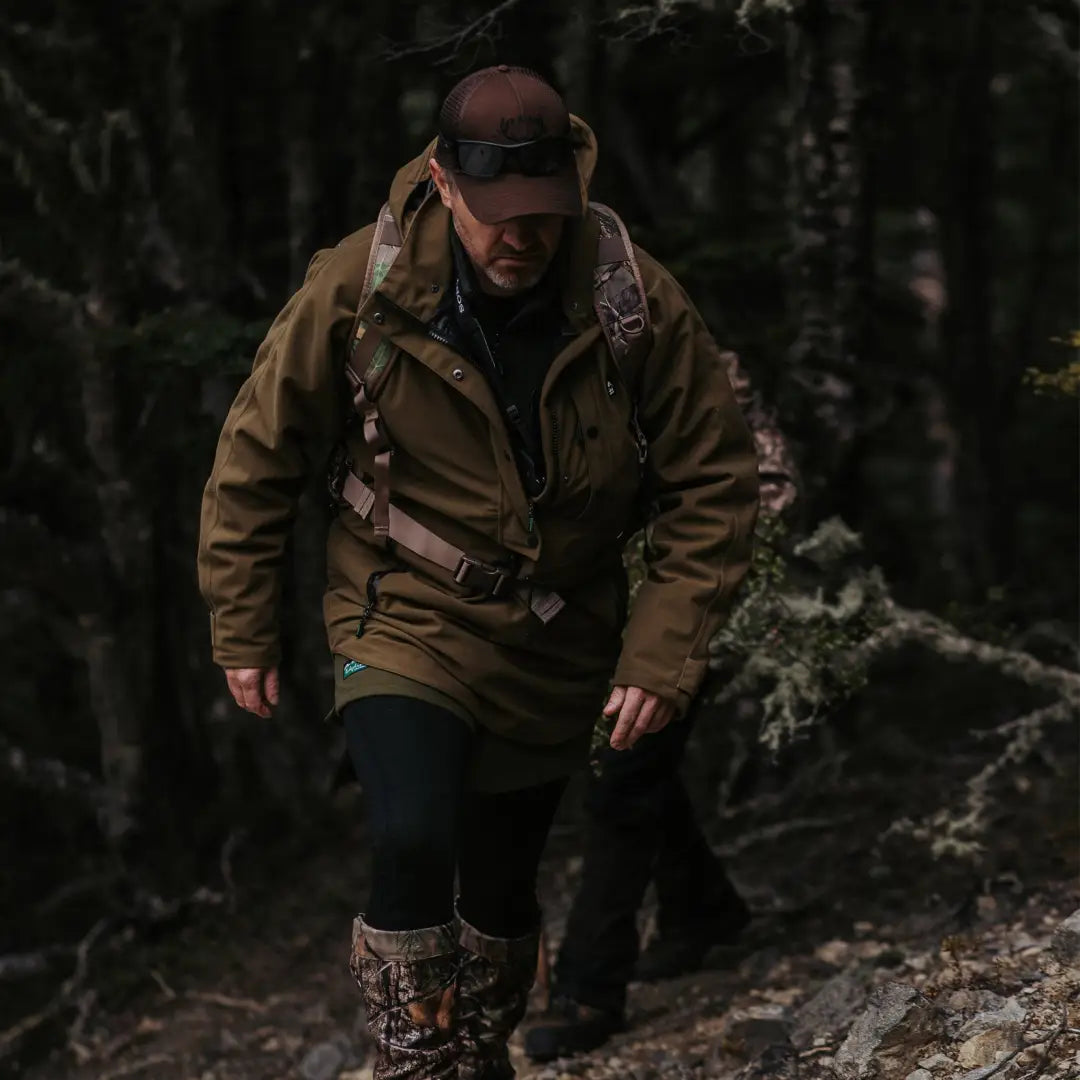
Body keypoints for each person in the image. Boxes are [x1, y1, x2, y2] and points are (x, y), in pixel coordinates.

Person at [197, 65, 759, 1080]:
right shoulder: (356, 285)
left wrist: (660, 653)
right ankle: (414, 1064)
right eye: (496, 212)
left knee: (501, 894)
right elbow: (256, 454)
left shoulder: (630, 294)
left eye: (541, 213)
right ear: (446, 184)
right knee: (414, 834)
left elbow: (713, 484)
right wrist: (241, 625)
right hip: (398, 605)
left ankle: (477, 1053)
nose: (520, 237)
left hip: (557, 632)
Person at [524, 379, 798, 1062]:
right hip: (594, 613)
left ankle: (590, 986)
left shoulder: (698, 370)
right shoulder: (546, 366)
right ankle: (703, 907)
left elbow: (756, 502)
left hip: (695, 605)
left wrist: (681, 624)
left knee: (626, 770)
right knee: (629, 768)